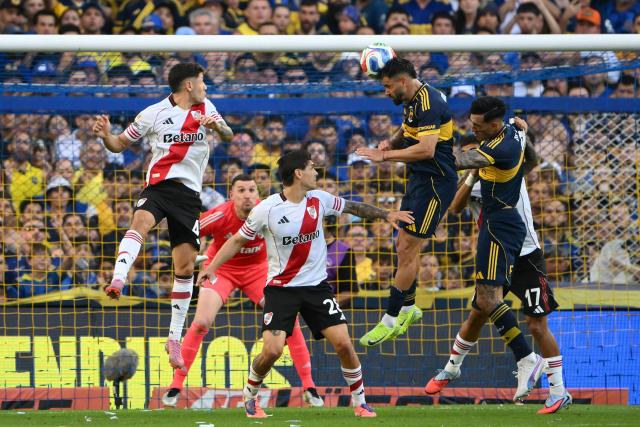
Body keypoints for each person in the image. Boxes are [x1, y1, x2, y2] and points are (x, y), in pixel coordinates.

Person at [196, 150, 414, 418]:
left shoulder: (319, 200)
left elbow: (352, 207)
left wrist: (385, 214)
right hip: (280, 289)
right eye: (311, 167)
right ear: (299, 174)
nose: (316, 172)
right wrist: (212, 268)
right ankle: (251, 395)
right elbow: (236, 241)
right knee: (272, 350)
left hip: (316, 288)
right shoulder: (266, 209)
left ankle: (360, 402)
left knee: (344, 344)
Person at [92, 62, 234, 369]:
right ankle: (118, 279)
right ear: (188, 85)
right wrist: (106, 135)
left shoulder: (206, 107)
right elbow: (118, 145)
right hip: (158, 187)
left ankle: (173, 339)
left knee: (184, 268)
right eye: (202, 81)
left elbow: (230, 136)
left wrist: (217, 127)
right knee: (140, 221)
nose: (205, 87)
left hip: (188, 196)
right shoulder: (151, 114)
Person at [425, 128, 571, 414]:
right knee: (479, 311)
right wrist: (471, 174)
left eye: (473, 153)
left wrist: (521, 134)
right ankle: (451, 368)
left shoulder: (506, 170)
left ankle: (558, 391)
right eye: (465, 154)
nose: (469, 157)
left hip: (527, 256)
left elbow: (532, 159)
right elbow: (454, 208)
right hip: (497, 254)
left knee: (537, 325)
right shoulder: (473, 181)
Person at [161, 174, 324, 408]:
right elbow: (189, 231)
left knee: (289, 322)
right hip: (221, 269)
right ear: (231, 195)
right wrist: (188, 254)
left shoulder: (269, 211)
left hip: (259, 271)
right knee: (201, 322)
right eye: (241, 190)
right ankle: (175, 386)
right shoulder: (220, 215)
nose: (247, 195)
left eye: (251, 190)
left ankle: (309, 386)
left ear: (258, 195)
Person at [446, 96, 545, 402]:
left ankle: (530, 360)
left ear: (492, 125)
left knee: (493, 302)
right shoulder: (513, 133)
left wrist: (420, 152)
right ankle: (453, 366)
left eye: (477, 126)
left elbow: (458, 163)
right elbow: (532, 160)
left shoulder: (496, 149)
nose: (472, 129)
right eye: (470, 124)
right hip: (498, 226)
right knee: (482, 303)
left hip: (506, 229)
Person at [356, 57, 457, 346]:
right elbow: (407, 129)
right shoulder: (412, 99)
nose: (385, 92)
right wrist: (392, 141)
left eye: (388, 86)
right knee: (402, 245)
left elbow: (426, 150)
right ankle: (409, 307)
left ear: (402, 81)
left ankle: (389, 319)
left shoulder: (430, 103)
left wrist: (384, 155)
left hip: (435, 184)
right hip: (418, 181)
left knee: (409, 246)